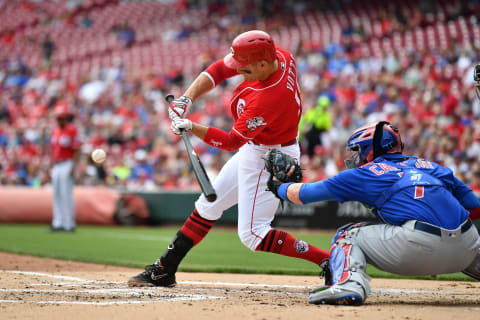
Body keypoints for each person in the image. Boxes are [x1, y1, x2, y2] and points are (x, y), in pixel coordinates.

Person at [128, 30, 329, 287]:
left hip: (271, 156)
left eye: (245, 70)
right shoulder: (281, 56)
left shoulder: (268, 98)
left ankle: (328, 260)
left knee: (253, 235)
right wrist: (185, 99)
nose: (239, 73)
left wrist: (190, 126)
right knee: (208, 206)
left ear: (263, 64)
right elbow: (220, 69)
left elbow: (231, 141)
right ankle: (164, 269)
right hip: (259, 147)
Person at [267, 121, 480, 305]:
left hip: (418, 248)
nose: (355, 156)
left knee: (346, 235)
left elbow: (303, 194)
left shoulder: (364, 174)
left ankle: (349, 285)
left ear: (371, 149)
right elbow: (474, 207)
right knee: (462, 232)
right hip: (467, 249)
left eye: (358, 150)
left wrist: (278, 186)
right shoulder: (431, 166)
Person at [49, 102, 81, 232]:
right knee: (56, 194)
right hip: (57, 165)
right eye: (58, 118)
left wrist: (73, 166)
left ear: (66, 118)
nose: (59, 120)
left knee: (66, 194)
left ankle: (69, 224)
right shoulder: (55, 131)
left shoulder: (72, 130)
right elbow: (52, 150)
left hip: (67, 163)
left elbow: (77, 149)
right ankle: (58, 222)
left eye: (61, 118)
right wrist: (50, 167)